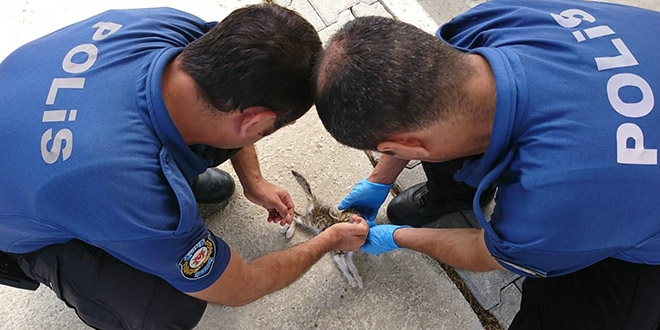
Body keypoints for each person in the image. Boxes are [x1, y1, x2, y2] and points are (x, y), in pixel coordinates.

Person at [0, 4, 369, 329]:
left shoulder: (171, 29)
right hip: (17, 227)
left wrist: (253, 181)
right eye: (273, 126)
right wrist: (329, 240)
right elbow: (238, 286)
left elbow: (232, 99)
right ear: (255, 121)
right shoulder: (129, 188)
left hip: (29, 131)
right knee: (170, 307)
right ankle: (45, 258)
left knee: (207, 179)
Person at [314, 0, 660, 329]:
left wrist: (395, 237)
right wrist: (380, 179)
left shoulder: (553, 199)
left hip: (641, 233)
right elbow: (416, 98)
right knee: (452, 125)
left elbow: (485, 254)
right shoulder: (490, 20)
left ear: (406, 145)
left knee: (571, 309)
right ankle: (454, 195)